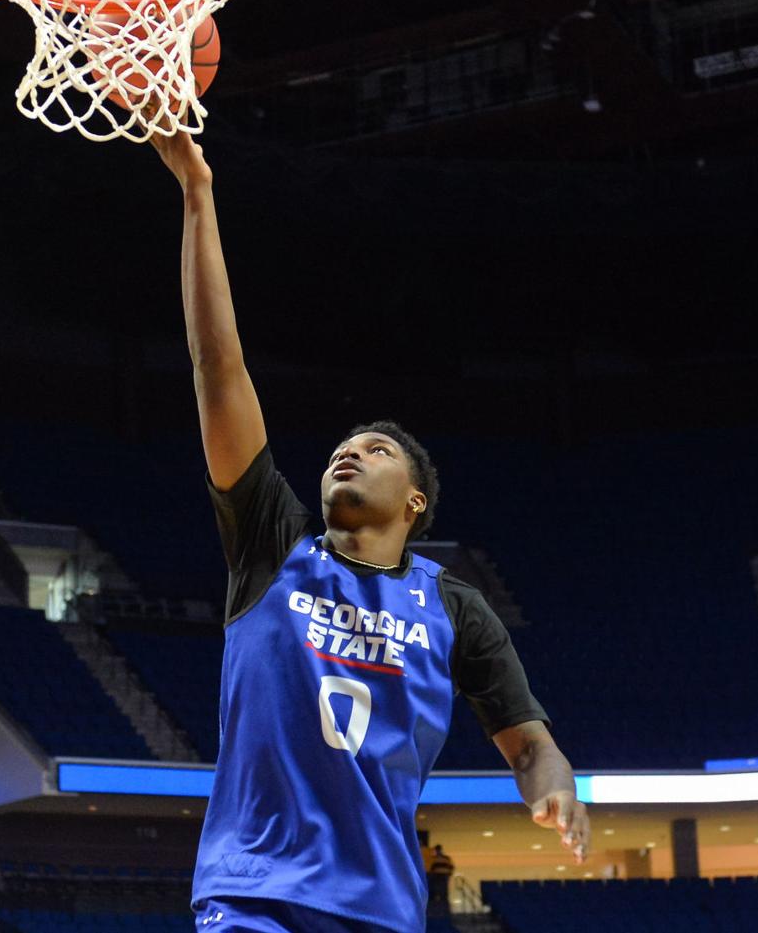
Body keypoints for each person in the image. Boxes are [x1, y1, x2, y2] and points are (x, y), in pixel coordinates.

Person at [148, 131, 592, 933]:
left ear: (416, 501)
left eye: (376, 449)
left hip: (381, 910)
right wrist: (197, 192)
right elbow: (217, 363)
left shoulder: (456, 609)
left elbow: (531, 746)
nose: (348, 451)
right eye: (340, 448)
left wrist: (556, 784)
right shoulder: (271, 546)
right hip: (255, 896)